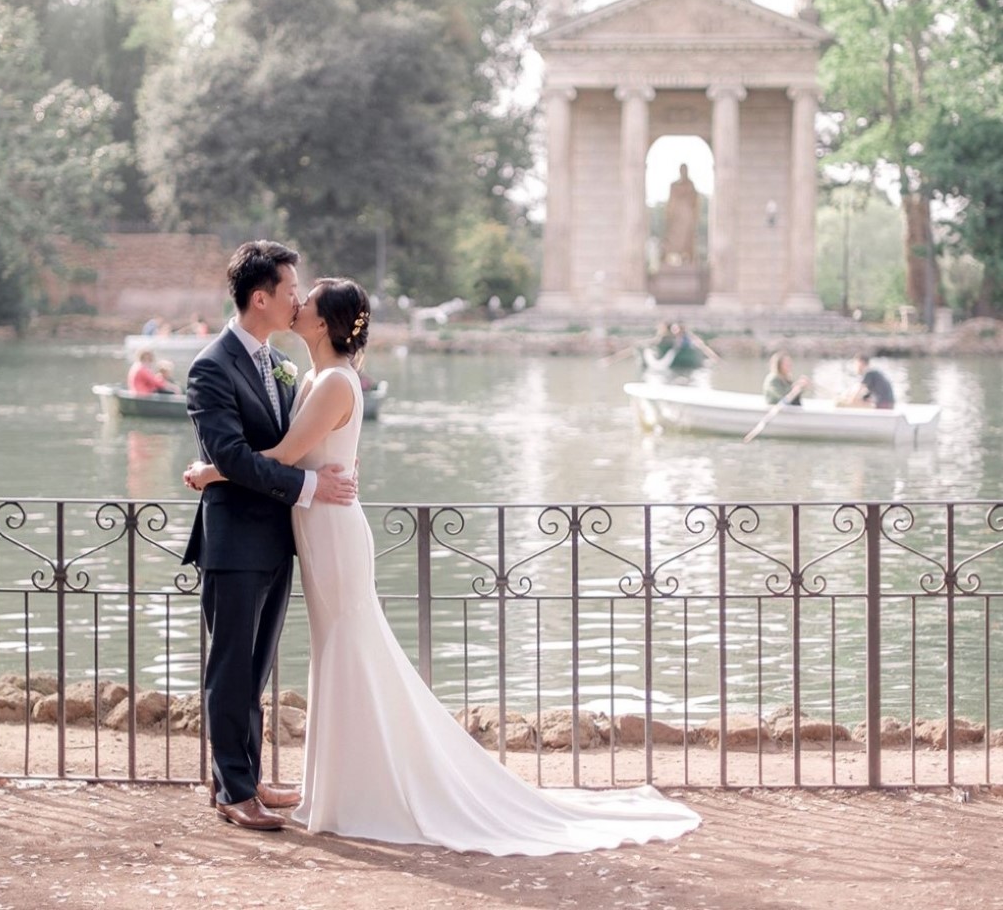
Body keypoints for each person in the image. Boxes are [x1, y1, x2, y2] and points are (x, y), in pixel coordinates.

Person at [185, 277, 700, 854]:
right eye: (293, 291)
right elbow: (301, 449)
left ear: (324, 323)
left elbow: (282, 454)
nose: (298, 302)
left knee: (349, 647)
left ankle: (361, 787)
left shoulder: (330, 381)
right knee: (331, 651)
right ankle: (310, 783)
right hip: (308, 527)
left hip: (331, 531)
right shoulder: (304, 375)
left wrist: (211, 472)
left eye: (307, 298)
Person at [181, 241, 357, 832]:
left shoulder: (278, 363)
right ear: (261, 298)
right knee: (231, 670)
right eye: (290, 290)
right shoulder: (211, 366)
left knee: (255, 670)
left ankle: (245, 778)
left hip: (279, 539)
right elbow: (233, 454)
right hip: (234, 543)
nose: (297, 299)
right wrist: (309, 486)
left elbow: (289, 443)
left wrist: (324, 469)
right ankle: (234, 793)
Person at [661, 163, 700, 266]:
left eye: (685, 170)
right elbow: (671, 202)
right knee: (674, 238)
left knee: (687, 238)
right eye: (682, 170)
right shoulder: (674, 185)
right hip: (677, 216)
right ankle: (672, 258)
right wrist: (669, 214)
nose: (683, 172)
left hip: (687, 215)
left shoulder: (690, 185)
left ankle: (687, 257)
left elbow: (695, 201)